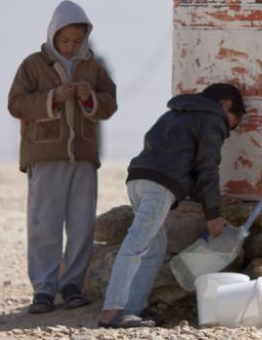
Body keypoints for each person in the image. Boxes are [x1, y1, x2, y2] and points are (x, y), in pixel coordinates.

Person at [98, 83, 245, 328]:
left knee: (155, 245)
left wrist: (212, 202)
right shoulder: (213, 118)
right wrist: (214, 216)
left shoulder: (174, 113)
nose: (230, 129)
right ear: (226, 106)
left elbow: (181, 163)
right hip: (158, 187)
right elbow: (206, 169)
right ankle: (112, 311)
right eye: (233, 123)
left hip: (137, 179)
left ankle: (133, 309)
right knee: (137, 243)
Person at [8, 0, 117, 314]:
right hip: (46, 157)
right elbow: (16, 104)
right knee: (45, 224)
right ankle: (44, 289)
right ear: (53, 35)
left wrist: (90, 98)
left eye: (76, 42)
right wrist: (53, 97)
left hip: (83, 158)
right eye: (64, 41)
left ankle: (72, 285)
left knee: (82, 225)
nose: (70, 48)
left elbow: (110, 104)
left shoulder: (94, 67)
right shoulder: (32, 65)